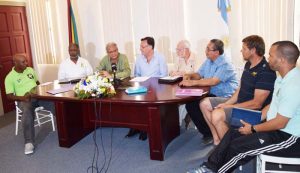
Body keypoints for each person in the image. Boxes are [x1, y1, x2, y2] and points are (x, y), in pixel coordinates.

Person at [187, 41, 300, 173]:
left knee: (238, 146)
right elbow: (272, 105)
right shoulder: (282, 78)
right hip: (274, 127)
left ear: (281, 60)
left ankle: (214, 171)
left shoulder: (293, 85)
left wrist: (253, 128)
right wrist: (255, 120)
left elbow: (280, 123)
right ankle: (209, 166)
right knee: (234, 132)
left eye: (271, 55)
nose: (268, 58)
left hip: (288, 137)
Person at [200, 35, 276, 145]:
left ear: (253, 50)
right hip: (240, 103)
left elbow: (256, 104)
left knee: (217, 114)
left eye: (244, 48)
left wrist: (230, 106)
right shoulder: (248, 64)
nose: (241, 50)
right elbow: (239, 89)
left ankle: (231, 151)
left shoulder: (266, 71)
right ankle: (218, 141)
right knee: (204, 103)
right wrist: (226, 103)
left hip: (253, 112)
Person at [179, 39, 239, 144]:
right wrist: (190, 75)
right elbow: (199, 74)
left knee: (195, 104)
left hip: (225, 96)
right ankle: (209, 133)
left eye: (208, 49)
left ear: (217, 52)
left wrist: (193, 83)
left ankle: (212, 134)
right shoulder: (208, 60)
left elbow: (214, 81)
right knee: (191, 104)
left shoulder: (225, 64)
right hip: (211, 93)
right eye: (206, 48)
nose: (205, 51)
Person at [127, 37, 168, 140]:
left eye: (143, 46)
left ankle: (146, 129)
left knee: (149, 103)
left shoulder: (160, 58)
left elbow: (164, 76)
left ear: (150, 47)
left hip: (157, 89)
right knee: (133, 101)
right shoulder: (139, 59)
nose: (140, 48)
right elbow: (136, 75)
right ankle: (136, 127)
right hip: (142, 87)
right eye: (140, 46)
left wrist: (152, 84)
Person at [4, 54, 40, 155]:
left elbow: (37, 82)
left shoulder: (30, 70)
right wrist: (22, 98)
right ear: (15, 63)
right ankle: (29, 142)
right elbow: (9, 96)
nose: (26, 63)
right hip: (24, 100)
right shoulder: (9, 78)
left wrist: (41, 91)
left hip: (37, 96)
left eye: (26, 61)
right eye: (23, 62)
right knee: (27, 111)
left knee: (58, 102)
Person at [170, 40, 196, 128]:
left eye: (179, 50)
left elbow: (197, 73)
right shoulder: (178, 58)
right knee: (173, 97)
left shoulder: (196, 57)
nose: (177, 52)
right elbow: (172, 72)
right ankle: (176, 123)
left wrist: (181, 72)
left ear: (187, 49)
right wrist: (177, 72)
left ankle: (182, 120)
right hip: (180, 84)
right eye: (176, 49)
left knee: (182, 100)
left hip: (193, 85)